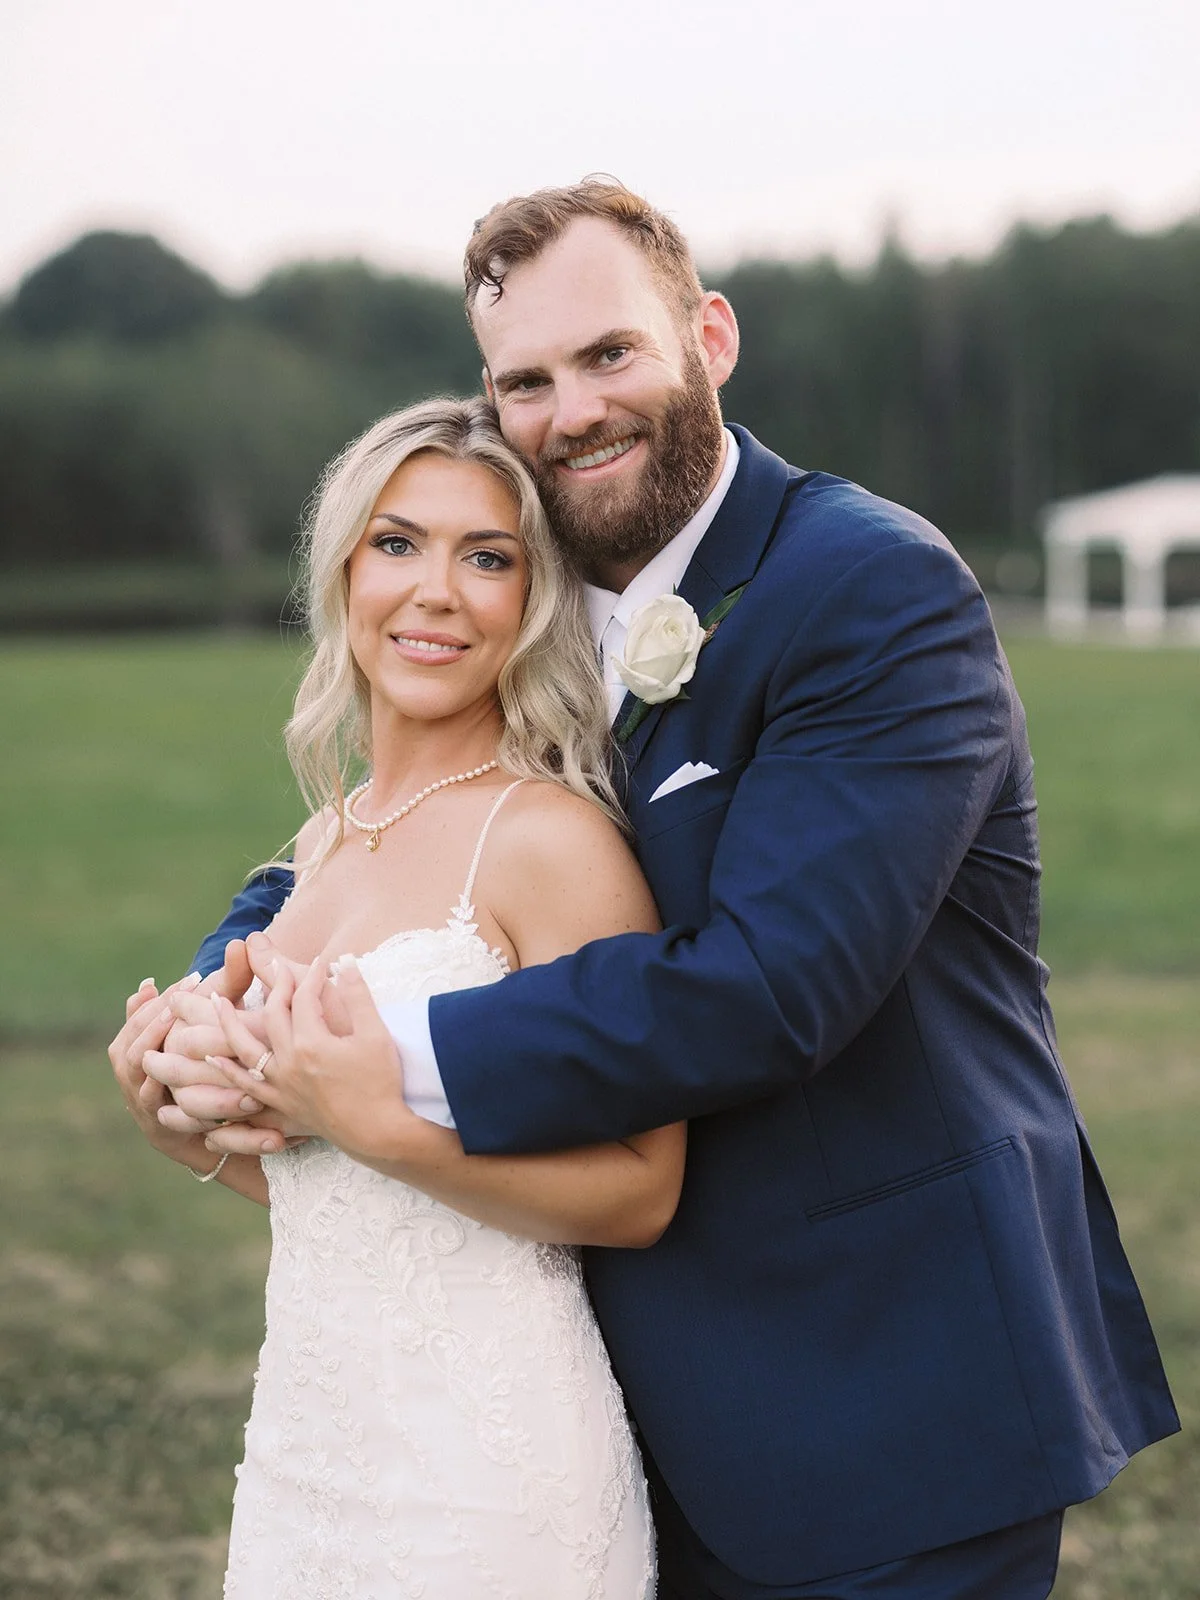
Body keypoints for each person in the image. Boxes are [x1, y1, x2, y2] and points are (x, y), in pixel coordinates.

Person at [122, 181, 1178, 1600]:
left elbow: (770, 986)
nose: (574, 411)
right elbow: (410, 826)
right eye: (528, 383)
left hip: (884, 1385)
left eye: (609, 354)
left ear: (710, 339)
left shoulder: (868, 590)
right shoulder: (533, 593)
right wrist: (222, 990)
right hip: (615, 1409)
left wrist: (370, 1059)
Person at [110, 395, 673, 1597]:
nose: (436, 591)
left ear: (532, 600)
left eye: (488, 558)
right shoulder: (318, 847)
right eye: (398, 543)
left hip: (489, 1476)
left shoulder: (551, 844)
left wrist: (377, 1123)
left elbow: (642, 1191)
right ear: (345, 569)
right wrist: (188, 1135)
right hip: (305, 1451)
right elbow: (345, 1195)